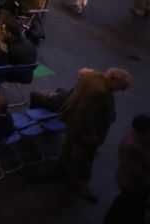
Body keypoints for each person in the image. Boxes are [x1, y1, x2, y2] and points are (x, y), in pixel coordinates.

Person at [59, 68, 134, 201]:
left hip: (71, 122)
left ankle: (60, 171)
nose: (120, 91)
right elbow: (84, 115)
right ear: (112, 80)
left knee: (68, 148)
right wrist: (91, 135)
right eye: (121, 88)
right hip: (83, 131)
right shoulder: (101, 92)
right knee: (84, 159)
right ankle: (79, 183)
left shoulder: (93, 76)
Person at [104, 114, 150, 224]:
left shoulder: (138, 137)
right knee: (128, 204)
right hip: (133, 183)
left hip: (137, 183)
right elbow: (135, 169)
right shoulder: (131, 146)